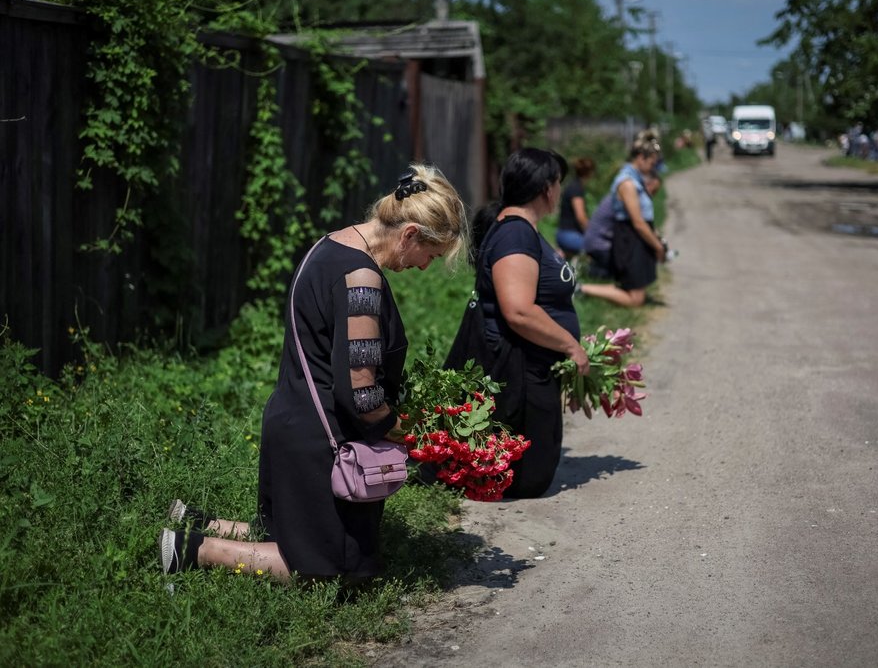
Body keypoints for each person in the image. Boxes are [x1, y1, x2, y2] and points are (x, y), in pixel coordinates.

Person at [158, 164, 468, 584]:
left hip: (293, 423)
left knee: (290, 537)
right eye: (429, 255)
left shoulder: (330, 244)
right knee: (332, 571)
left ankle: (198, 519)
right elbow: (362, 393)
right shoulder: (362, 279)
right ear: (410, 233)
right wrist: (404, 430)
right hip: (323, 446)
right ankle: (193, 549)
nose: (424, 267)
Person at [466, 147, 589, 498]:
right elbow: (518, 310)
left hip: (532, 370)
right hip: (522, 370)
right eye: (558, 182)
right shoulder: (515, 234)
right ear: (547, 188)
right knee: (528, 479)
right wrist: (570, 345)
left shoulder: (519, 231)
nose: (560, 190)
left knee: (535, 471)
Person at [579, 139, 665, 308]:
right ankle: (582, 289)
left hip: (633, 239)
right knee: (635, 299)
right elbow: (638, 222)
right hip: (629, 240)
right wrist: (658, 246)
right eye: (651, 163)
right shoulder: (627, 183)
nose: (653, 168)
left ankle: (589, 288)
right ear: (640, 157)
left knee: (635, 289)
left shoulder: (635, 180)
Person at [555, 156, 596, 257]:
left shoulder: (573, 186)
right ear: (590, 173)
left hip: (564, 233)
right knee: (598, 247)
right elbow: (581, 217)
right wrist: (594, 233)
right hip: (569, 235)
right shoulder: (576, 189)